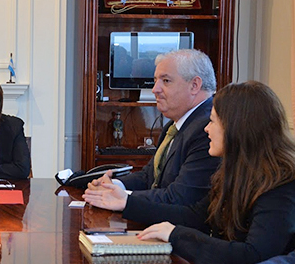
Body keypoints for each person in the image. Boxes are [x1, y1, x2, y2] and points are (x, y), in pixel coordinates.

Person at [84, 81, 295, 263]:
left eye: (212, 121)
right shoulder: (234, 170)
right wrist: (127, 204)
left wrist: (177, 236)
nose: (206, 129)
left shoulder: (279, 184)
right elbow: (196, 216)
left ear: (237, 128)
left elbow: (254, 255)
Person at [86, 49, 220, 205]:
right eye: (156, 80)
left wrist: (124, 199)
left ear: (195, 85)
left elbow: (180, 197)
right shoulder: (173, 126)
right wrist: (112, 186)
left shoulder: (208, 130)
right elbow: (149, 176)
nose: (155, 89)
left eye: (166, 81)